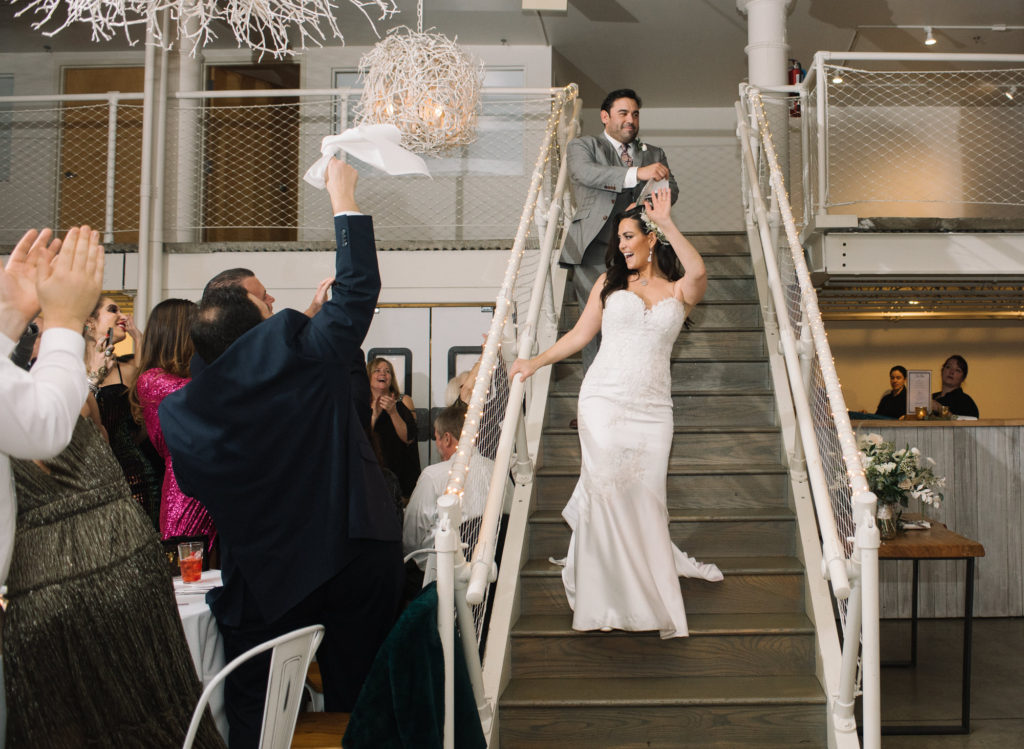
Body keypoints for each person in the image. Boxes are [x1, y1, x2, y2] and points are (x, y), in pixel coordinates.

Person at [161, 159, 404, 747]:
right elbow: (358, 289)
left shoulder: (184, 413)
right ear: (255, 326)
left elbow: (197, 487)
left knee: (259, 705)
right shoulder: (304, 352)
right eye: (267, 305)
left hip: (269, 580)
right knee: (364, 693)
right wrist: (342, 195)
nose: (276, 308)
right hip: (353, 555)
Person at [2, 228, 225, 748]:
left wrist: (15, 319)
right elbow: (45, 429)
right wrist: (61, 324)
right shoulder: (81, 380)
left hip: (104, 560)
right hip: (70, 575)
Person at [511, 188, 722, 639]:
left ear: (650, 239)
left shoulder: (678, 291)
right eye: (619, 239)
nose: (623, 246)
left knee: (647, 498)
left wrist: (666, 221)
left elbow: (700, 270)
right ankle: (606, 595)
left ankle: (646, 589)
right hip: (603, 401)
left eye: (629, 236)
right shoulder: (609, 286)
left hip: (653, 411)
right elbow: (579, 335)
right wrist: (534, 361)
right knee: (607, 490)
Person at [560, 88, 679, 375]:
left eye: (635, 114)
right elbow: (585, 173)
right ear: (605, 116)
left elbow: (671, 190)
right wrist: (637, 174)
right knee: (595, 323)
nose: (631, 120)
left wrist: (649, 199)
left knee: (640, 320)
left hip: (640, 250)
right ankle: (591, 400)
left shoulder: (654, 152)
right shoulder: (583, 146)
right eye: (623, 113)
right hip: (593, 248)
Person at [131, 298, 217, 546]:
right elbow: (210, 393)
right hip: (184, 493)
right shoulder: (152, 380)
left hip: (213, 484)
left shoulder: (197, 376)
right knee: (191, 573)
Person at [403, 403, 511, 586]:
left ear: (446, 438)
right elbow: (509, 517)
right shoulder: (498, 470)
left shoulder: (433, 475)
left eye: (436, 438)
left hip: (443, 573)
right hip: (497, 565)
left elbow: (411, 538)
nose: (437, 445)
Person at [84, 294, 164, 530]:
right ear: (89, 322)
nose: (122, 315)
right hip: (90, 478)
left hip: (134, 474)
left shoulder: (126, 370)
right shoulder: (69, 370)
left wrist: (138, 339)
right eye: (112, 310)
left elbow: (144, 416)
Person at [370, 356, 421, 498]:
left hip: (399, 470)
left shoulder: (402, 402)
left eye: (387, 371)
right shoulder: (361, 404)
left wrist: (392, 412)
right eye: (377, 370)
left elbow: (409, 438)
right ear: (369, 376)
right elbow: (361, 438)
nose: (383, 374)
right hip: (372, 470)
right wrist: (374, 416)